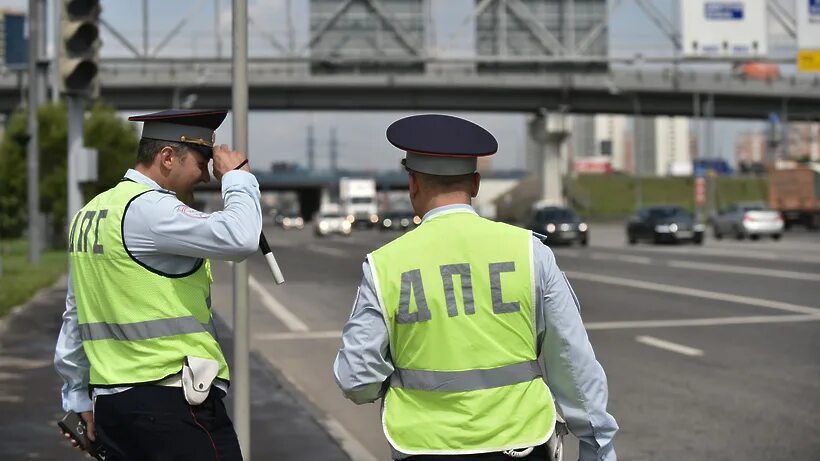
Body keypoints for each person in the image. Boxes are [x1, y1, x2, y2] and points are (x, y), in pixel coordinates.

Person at [333, 114, 618, 461]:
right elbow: (573, 363)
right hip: (520, 444)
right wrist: (596, 448)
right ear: (476, 184)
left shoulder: (386, 265)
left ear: (413, 184)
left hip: (424, 448)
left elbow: (356, 378)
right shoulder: (530, 252)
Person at [54, 109, 261, 461]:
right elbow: (240, 238)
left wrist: (76, 396)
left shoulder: (91, 212)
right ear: (167, 157)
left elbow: (75, 314)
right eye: (201, 161)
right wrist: (238, 179)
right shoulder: (149, 209)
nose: (207, 176)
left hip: (113, 406)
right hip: (168, 404)